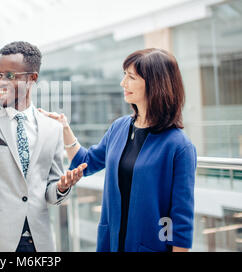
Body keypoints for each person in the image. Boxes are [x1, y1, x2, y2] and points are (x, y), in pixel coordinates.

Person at [40, 48, 197, 252]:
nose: (123, 83)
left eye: (131, 77)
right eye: (125, 76)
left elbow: (181, 220)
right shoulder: (119, 128)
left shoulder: (179, 147)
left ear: (155, 84)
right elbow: (86, 162)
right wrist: (65, 129)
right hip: (110, 244)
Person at [0, 41, 87, 252]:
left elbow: (50, 193)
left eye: (9, 76)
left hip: (39, 243)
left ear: (32, 78)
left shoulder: (52, 128)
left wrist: (62, 187)